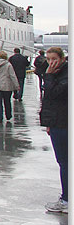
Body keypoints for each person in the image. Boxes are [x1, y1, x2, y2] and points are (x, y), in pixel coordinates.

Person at [40, 47, 68, 214]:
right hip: (57, 121)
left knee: (64, 161)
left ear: (62, 59)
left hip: (63, 122)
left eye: (54, 59)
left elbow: (54, 94)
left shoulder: (64, 75)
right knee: (63, 161)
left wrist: (49, 75)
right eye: (49, 59)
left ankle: (67, 200)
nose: (51, 62)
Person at [0, 51, 20, 122]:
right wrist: (17, 86)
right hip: (7, 86)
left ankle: (0, 116)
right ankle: (8, 115)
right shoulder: (8, 65)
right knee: (7, 101)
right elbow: (12, 76)